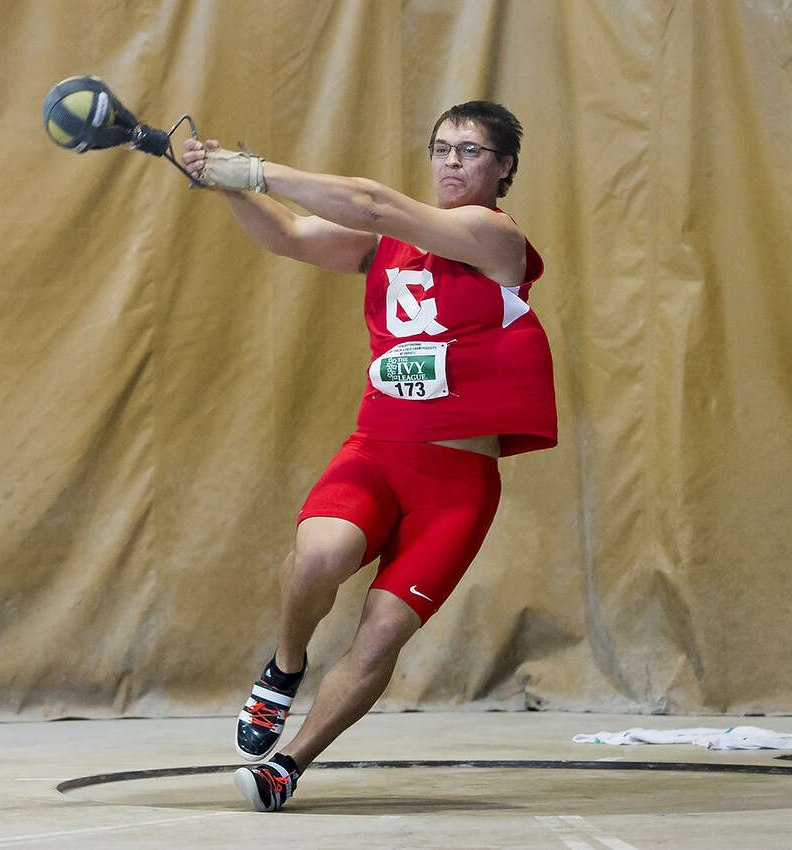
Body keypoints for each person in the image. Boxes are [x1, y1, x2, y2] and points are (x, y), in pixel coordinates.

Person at [180, 101, 557, 812]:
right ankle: (284, 669)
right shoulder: (389, 247)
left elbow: (376, 204)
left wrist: (256, 168)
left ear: (504, 167)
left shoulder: (493, 237)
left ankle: (288, 764)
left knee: (382, 633)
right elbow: (289, 236)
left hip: (455, 483)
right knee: (318, 557)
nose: (451, 161)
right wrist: (227, 186)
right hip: (378, 453)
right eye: (441, 147)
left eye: (470, 151)